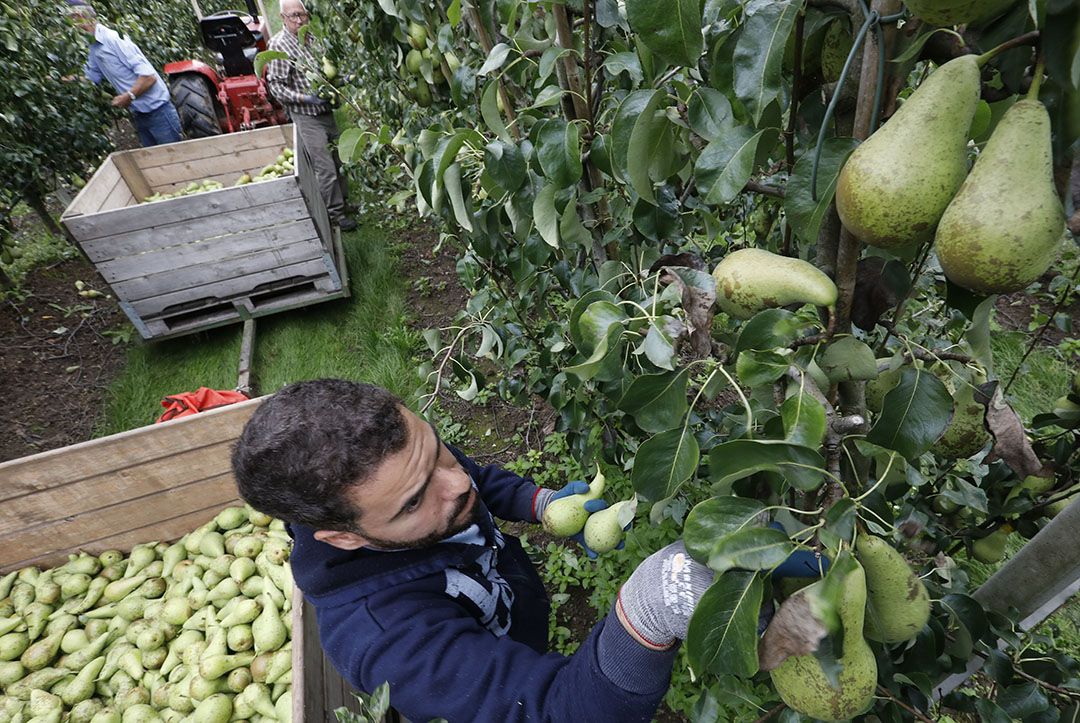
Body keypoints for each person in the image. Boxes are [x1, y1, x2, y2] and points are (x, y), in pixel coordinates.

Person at [231, 379, 715, 722]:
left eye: (437, 448)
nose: (457, 481)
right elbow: (553, 713)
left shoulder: (411, 471)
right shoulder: (389, 643)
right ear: (345, 537)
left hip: (510, 616)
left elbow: (475, 479)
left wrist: (541, 504)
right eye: (416, 500)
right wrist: (646, 611)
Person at [264, 0, 355, 232]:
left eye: (302, 15)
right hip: (306, 115)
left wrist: (343, 79)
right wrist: (307, 98)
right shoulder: (279, 46)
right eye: (293, 16)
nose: (298, 20)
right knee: (325, 166)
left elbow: (325, 74)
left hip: (324, 110)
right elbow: (276, 88)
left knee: (338, 159)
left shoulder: (311, 39)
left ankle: (344, 203)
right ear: (283, 18)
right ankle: (336, 215)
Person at [66, 2, 182, 147]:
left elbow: (148, 77)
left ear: (82, 17)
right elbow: (91, 78)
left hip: (158, 112)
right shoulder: (93, 47)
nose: (72, 26)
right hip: (139, 114)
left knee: (175, 159)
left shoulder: (113, 39)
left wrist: (129, 96)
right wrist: (61, 80)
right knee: (155, 163)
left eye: (72, 20)